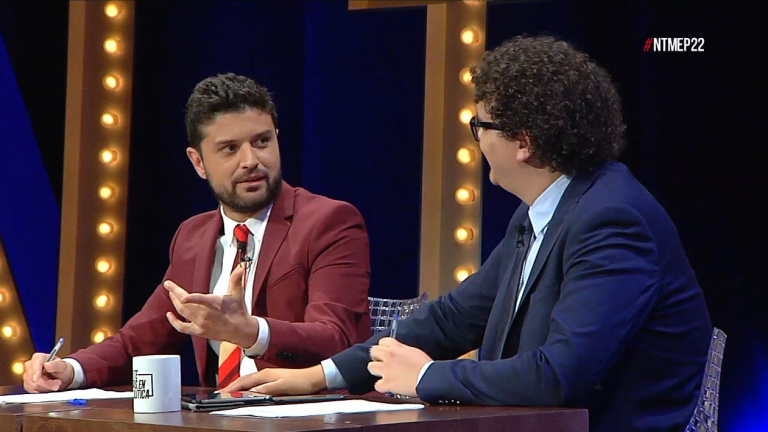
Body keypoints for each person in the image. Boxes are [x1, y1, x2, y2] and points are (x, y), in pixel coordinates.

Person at [221, 36, 713, 432]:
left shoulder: (611, 219)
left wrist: (425, 376)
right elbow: (452, 319)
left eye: (479, 125)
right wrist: (320, 376)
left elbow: (560, 374)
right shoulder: (543, 211)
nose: (475, 138)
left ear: (524, 142)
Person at [22, 73, 371, 392]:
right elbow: (139, 342)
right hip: (219, 418)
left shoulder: (328, 222)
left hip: (309, 416)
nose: (250, 160)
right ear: (198, 162)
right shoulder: (193, 237)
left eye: (262, 141)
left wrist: (251, 332)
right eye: (230, 149)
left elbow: (336, 339)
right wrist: (71, 369)